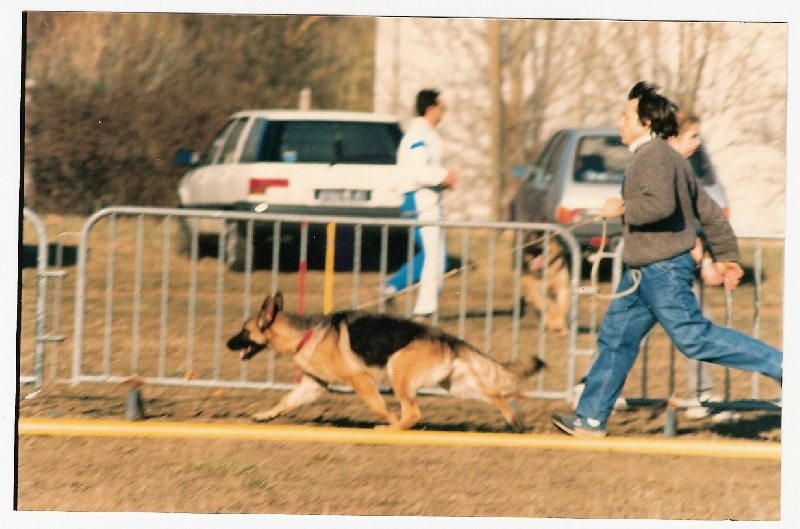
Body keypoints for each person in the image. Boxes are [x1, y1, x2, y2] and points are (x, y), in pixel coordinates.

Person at [551, 81, 782, 438]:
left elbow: (661, 206)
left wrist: (622, 208)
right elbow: (710, 211)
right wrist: (728, 257)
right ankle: (590, 419)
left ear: (646, 122)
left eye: (626, 115)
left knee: (694, 338)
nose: (619, 122)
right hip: (641, 273)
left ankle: (782, 365)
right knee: (615, 339)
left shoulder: (655, 156)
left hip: (662, 270)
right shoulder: (669, 158)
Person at [666, 111, 739, 422]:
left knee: (629, 332)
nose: (697, 143)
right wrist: (706, 260)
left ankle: (703, 395)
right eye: (691, 137)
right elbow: (680, 222)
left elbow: (696, 219)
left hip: (673, 268)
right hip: (665, 271)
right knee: (696, 325)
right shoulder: (668, 170)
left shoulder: (681, 170)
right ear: (672, 138)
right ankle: (703, 395)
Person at [381, 89, 458, 318]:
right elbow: (418, 171)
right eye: (442, 107)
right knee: (434, 256)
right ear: (431, 108)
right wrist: (444, 176)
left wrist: (441, 180)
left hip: (426, 198)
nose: (444, 112)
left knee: (434, 255)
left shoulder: (425, 133)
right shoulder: (418, 135)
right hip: (419, 199)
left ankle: (393, 287)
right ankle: (424, 309)